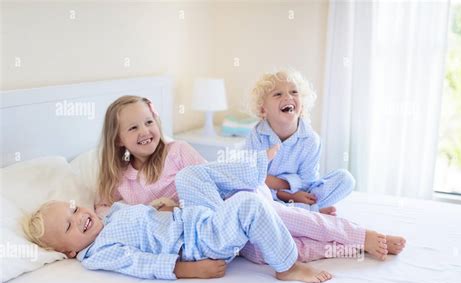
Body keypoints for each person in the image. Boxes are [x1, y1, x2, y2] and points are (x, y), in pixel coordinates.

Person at [94, 95, 405, 264]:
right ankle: (346, 249)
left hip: (231, 201)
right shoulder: (119, 181)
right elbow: (105, 215)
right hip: (210, 233)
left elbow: (214, 179)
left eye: (149, 122)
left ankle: (360, 235)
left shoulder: (178, 152)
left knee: (286, 220)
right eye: (133, 128)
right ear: (118, 139)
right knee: (263, 252)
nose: (145, 131)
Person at [22, 151, 333, 283]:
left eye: (75, 209)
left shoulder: (112, 213)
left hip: (192, 218)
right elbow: (142, 264)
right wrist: (191, 270)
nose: (80, 217)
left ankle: (253, 171)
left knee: (188, 176)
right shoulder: (97, 253)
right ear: (69, 251)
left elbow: (143, 217)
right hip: (200, 244)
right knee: (247, 205)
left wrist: (161, 207)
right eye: (69, 225)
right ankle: (287, 266)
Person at [246, 68, 355, 214]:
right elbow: (255, 176)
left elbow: (306, 182)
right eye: (278, 94)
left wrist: (295, 193)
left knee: (345, 179)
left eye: (294, 92)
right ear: (263, 110)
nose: (288, 97)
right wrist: (288, 193)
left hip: (301, 193)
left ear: (302, 105)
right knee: (248, 193)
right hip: (269, 195)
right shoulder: (257, 135)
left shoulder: (311, 140)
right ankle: (310, 212)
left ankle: (302, 210)